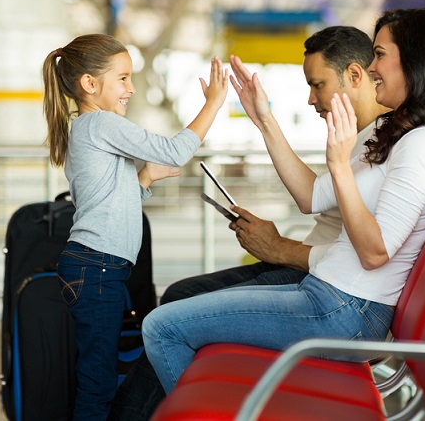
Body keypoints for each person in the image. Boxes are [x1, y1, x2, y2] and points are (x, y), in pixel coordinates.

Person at [141, 6, 425, 396]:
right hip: (332, 295)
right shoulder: (397, 132)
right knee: (176, 312)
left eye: (380, 55)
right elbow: (312, 196)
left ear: (416, 60)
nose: (371, 68)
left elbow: (374, 252)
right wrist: (264, 119)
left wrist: (340, 164)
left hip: (346, 310)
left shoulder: (423, 143)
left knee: (161, 327)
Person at [107, 25, 389, 421]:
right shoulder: (361, 140)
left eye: (318, 85)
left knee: (172, 315)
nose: (311, 99)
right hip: (310, 271)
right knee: (177, 296)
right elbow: (313, 198)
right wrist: (264, 119)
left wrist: (281, 249)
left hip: (319, 282)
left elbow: (366, 251)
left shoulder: (383, 144)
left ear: (354, 75)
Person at [41, 33, 228, 421]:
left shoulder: (88, 129)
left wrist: (142, 180)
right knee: (98, 383)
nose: (131, 87)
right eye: (122, 78)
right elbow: (177, 150)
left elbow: (108, 204)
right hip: (96, 268)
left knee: (100, 375)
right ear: (89, 84)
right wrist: (213, 104)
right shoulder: (101, 123)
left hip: (96, 266)